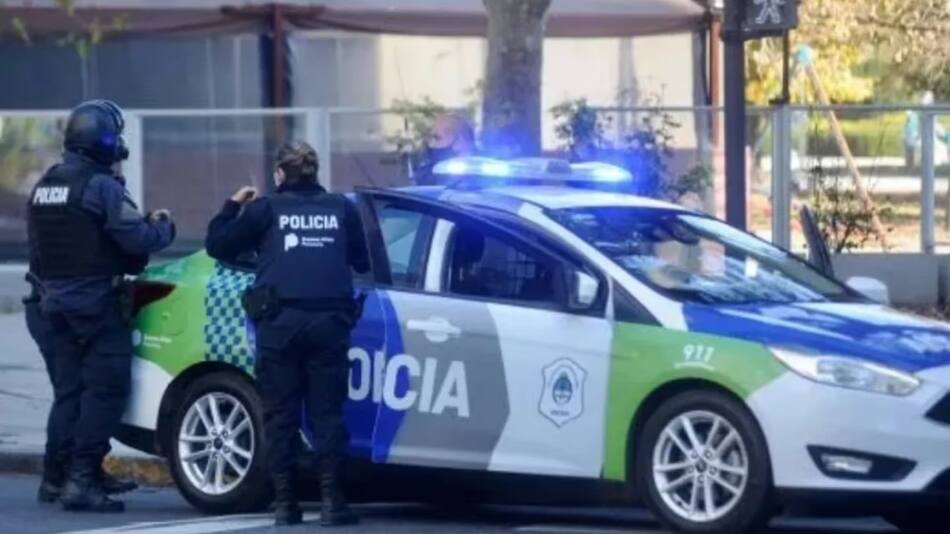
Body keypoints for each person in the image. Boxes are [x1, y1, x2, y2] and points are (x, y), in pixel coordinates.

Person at [205, 141, 370, 527]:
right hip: (329, 324)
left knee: (280, 415)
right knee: (327, 413)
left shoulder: (265, 209)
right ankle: (332, 503)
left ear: (280, 175)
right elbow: (362, 260)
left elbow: (218, 244)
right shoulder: (341, 209)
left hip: (279, 325)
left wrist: (233, 205)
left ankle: (284, 504)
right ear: (316, 173)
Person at [27, 99, 176, 513]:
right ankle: (83, 481)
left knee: (68, 395)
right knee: (105, 393)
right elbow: (139, 240)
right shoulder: (101, 187)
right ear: (105, 142)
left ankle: (55, 478)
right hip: (95, 305)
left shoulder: (46, 186)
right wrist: (163, 224)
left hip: (53, 304)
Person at [413, 113, 476, 185]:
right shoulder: (427, 174)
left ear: (461, 140)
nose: (433, 145)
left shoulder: (487, 172)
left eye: (437, 138)